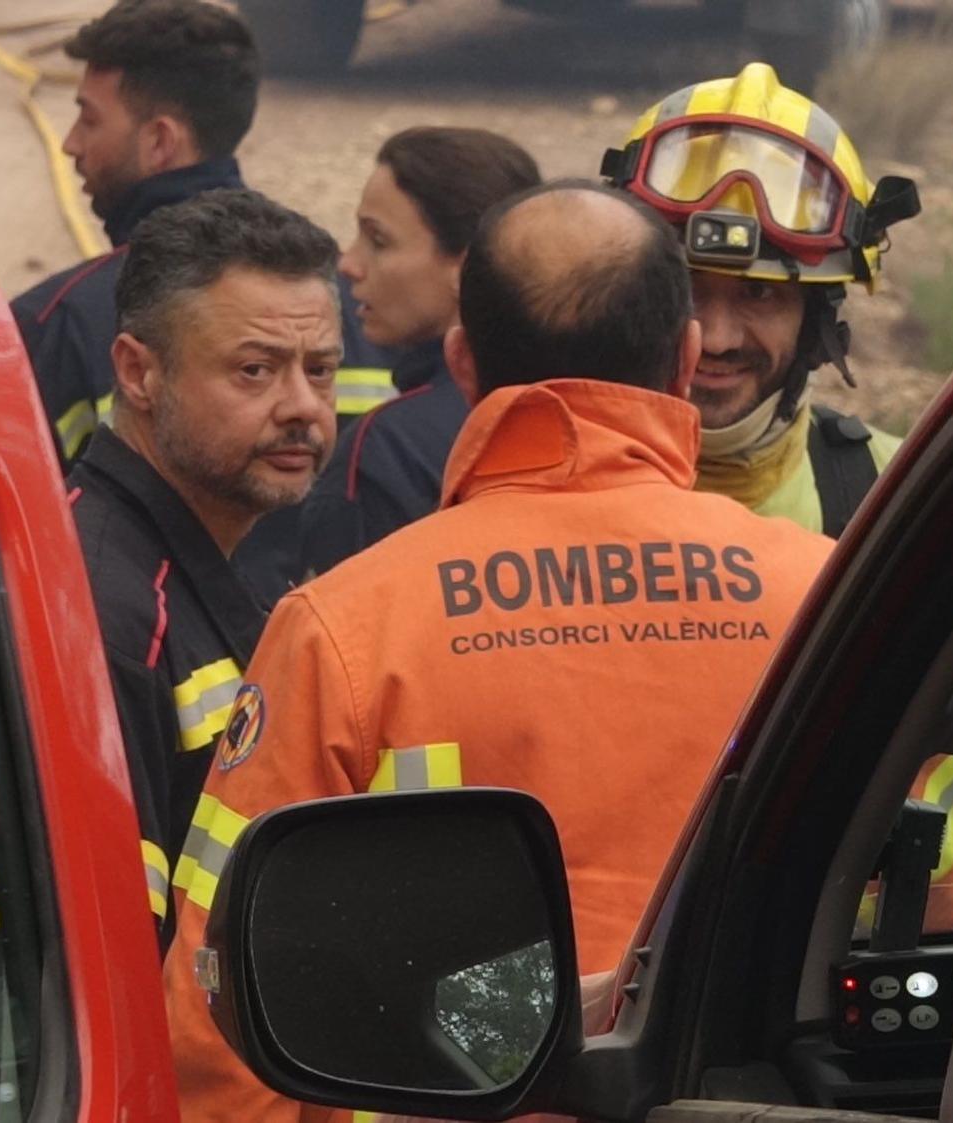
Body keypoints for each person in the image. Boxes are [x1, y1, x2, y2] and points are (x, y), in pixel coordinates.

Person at [164, 182, 833, 1121]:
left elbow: (218, 1008)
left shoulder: (343, 629)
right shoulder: (829, 595)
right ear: (685, 358)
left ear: (463, 362)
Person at [606, 63, 953, 932]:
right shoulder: (544, 489)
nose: (713, 337)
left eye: (759, 296)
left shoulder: (896, 498)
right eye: (683, 292)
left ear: (821, 321)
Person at [65, 188, 339, 956]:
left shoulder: (175, 566)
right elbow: (109, 955)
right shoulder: (106, 614)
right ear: (138, 374)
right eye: (255, 370)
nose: (302, 408)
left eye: (320, 370)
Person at [10, 0, 391, 472]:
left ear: (160, 142)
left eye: (89, 119)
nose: (70, 144)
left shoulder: (60, 321)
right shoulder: (354, 294)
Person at [284, 126, 540, 586]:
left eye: (377, 241)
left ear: (467, 268)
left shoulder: (386, 450)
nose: (348, 263)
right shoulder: (591, 402)